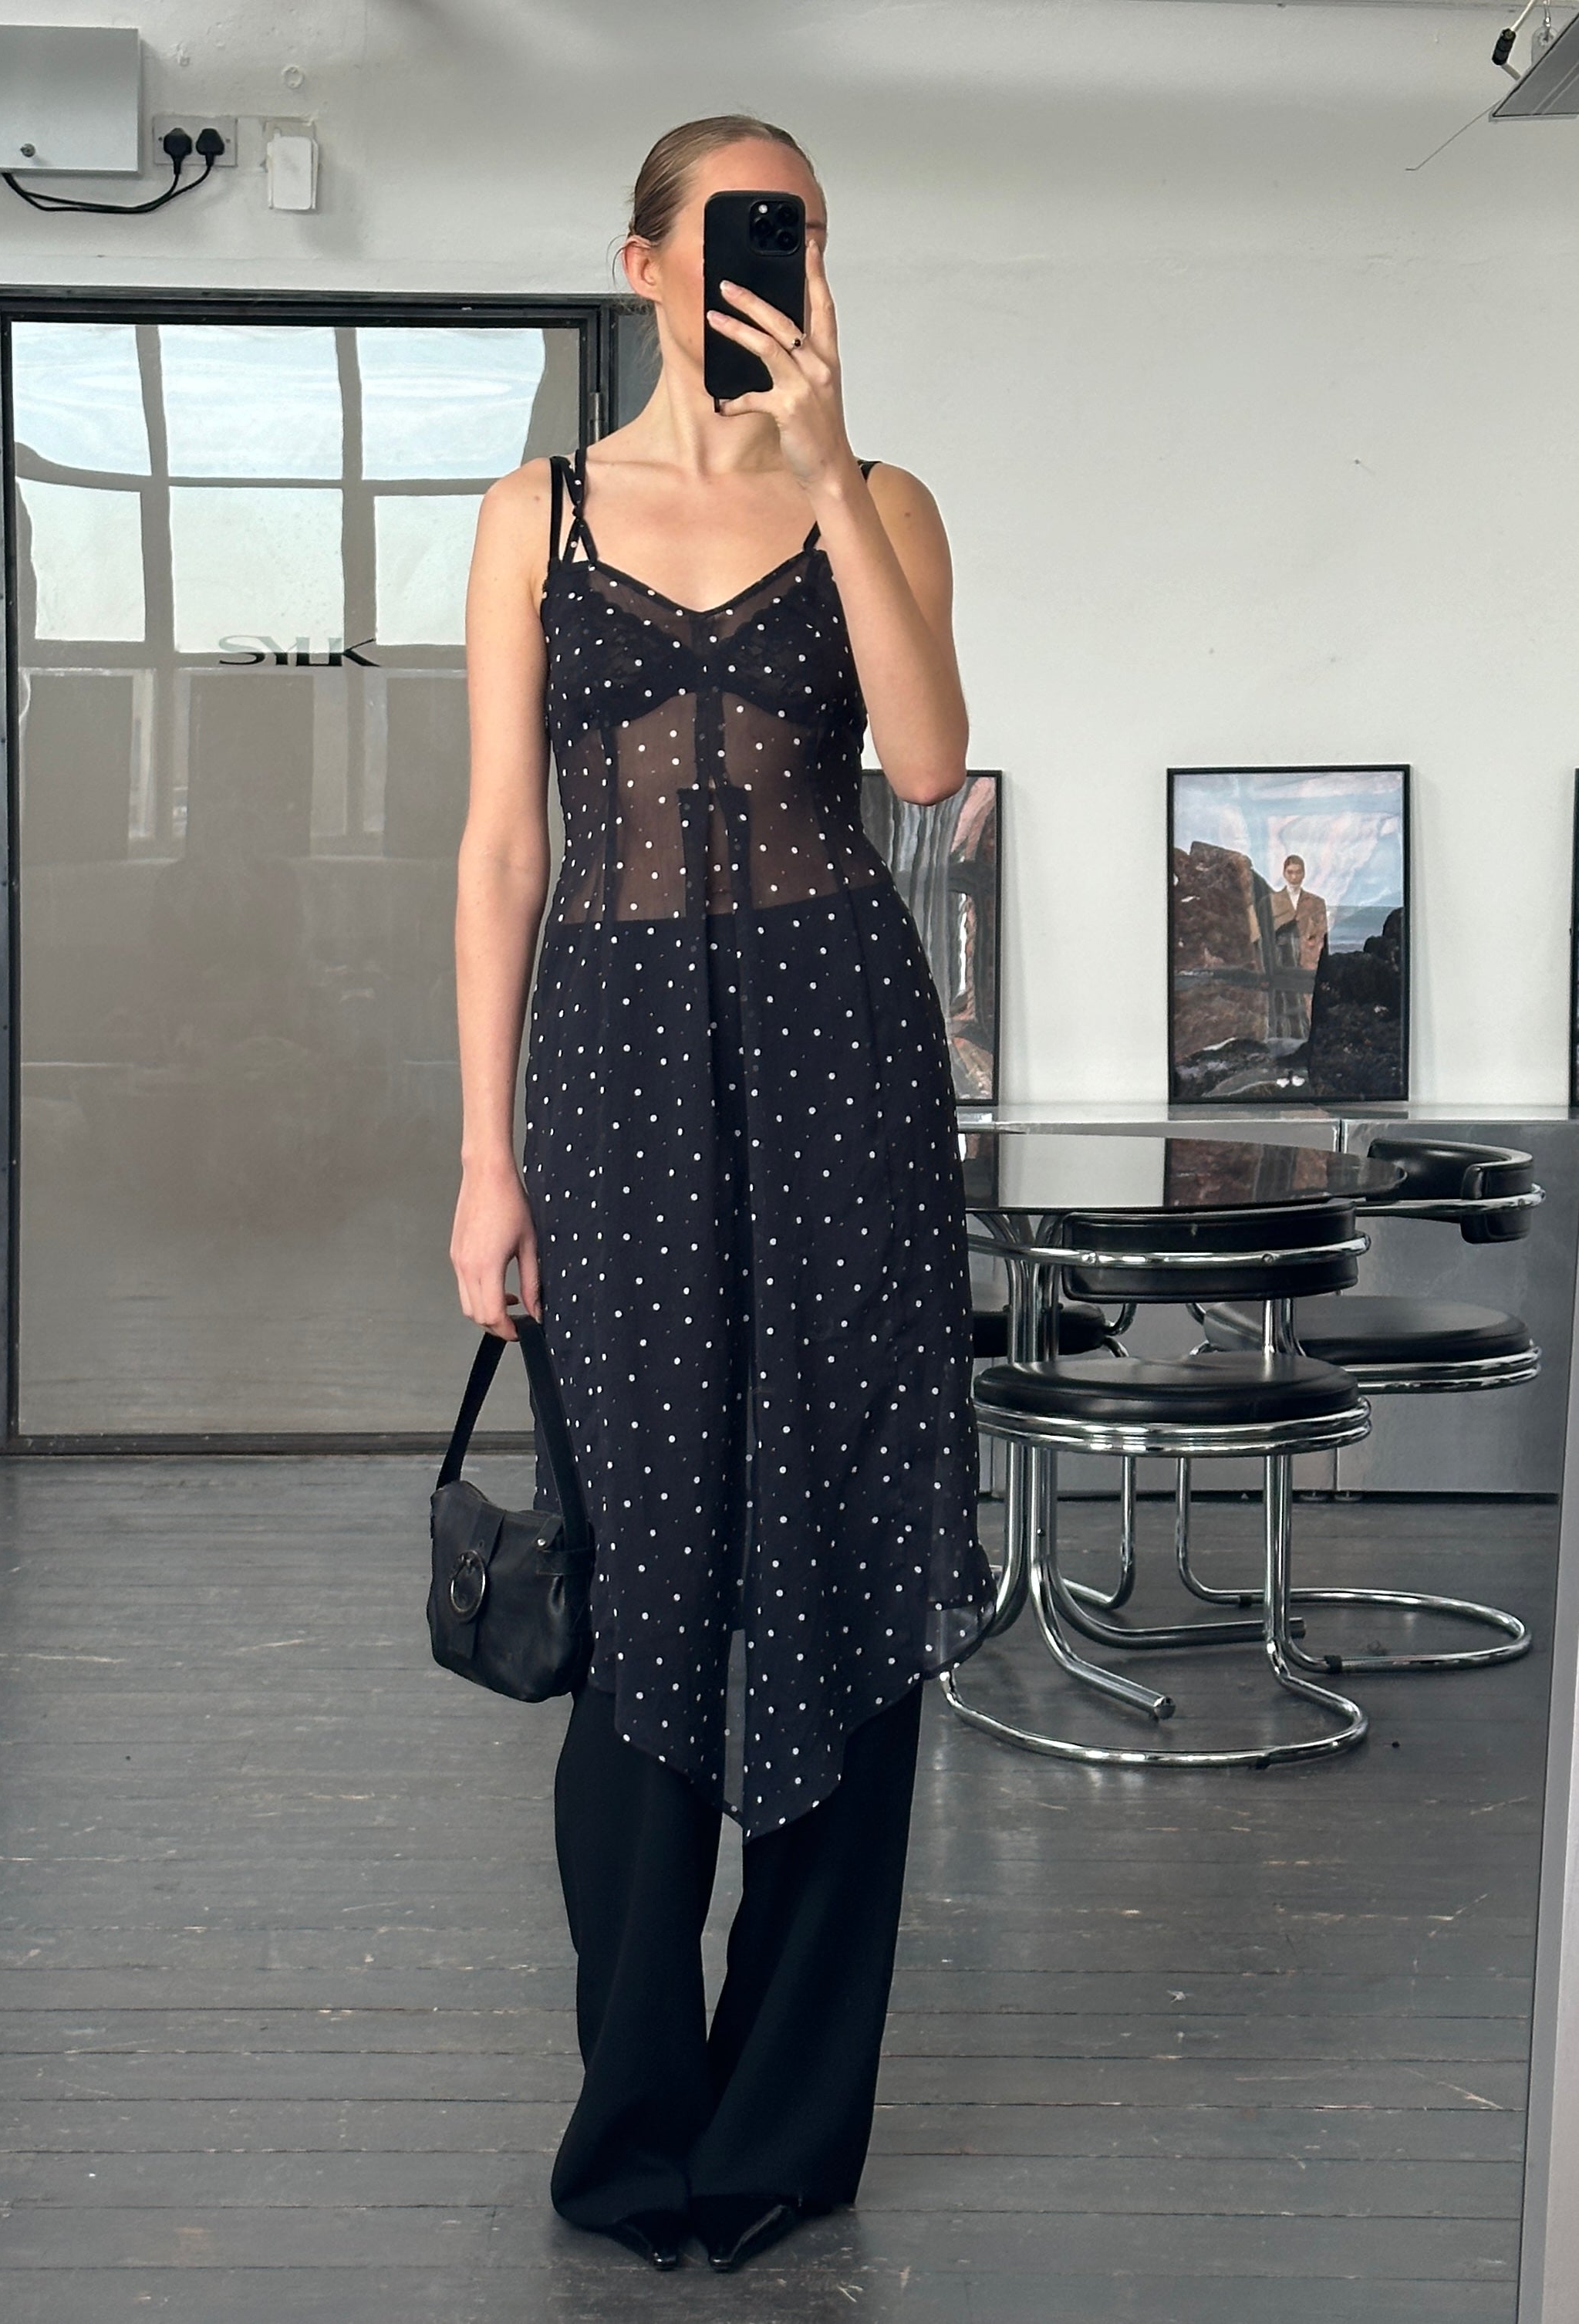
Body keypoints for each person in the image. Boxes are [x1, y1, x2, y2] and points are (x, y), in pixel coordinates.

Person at [450, 114, 996, 2275]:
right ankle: (633, 2120)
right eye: (744, 229)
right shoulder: (535, 511)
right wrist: (481, 1153)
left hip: (842, 1057)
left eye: (807, 231)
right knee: (642, 1578)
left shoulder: (886, 498)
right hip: (607, 1076)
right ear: (645, 262)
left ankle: (785, 2127)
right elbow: (503, 845)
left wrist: (831, 460)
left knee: (845, 1556)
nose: (779, 261)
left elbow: (930, 768)